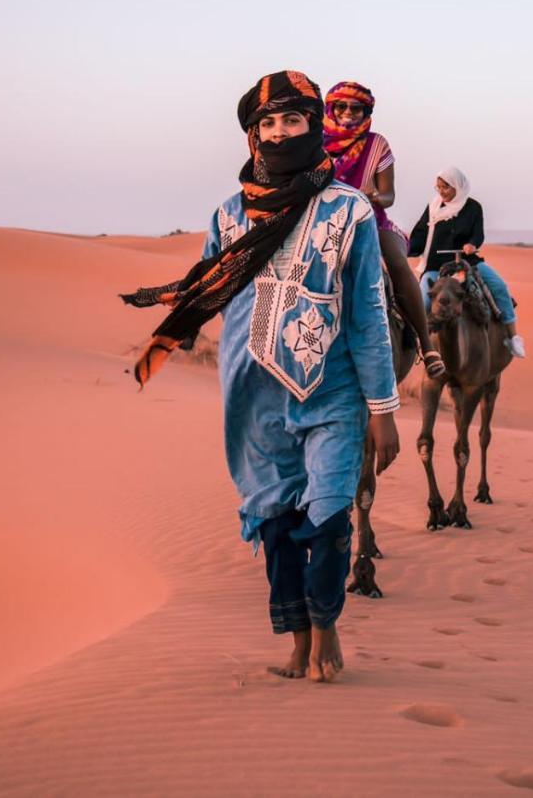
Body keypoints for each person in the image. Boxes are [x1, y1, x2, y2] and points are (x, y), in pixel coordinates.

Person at [119, 70, 400, 683]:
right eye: (266, 124)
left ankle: (326, 628)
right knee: (273, 524)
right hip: (251, 393)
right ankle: (297, 642)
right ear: (252, 137)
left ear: (312, 126)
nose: (279, 133)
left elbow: (368, 312)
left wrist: (383, 408)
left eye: (292, 121)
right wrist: (167, 332)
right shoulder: (228, 214)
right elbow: (209, 289)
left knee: (328, 520)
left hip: (333, 391)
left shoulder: (347, 209)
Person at [323, 81, 446, 378]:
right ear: (331, 108)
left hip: (370, 221)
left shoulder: (378, 144)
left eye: (357, 108)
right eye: (342, 106)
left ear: (367, 111)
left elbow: (389, 196)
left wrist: (374, 195)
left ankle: (427, 346)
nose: (348, 113)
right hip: (322, 225)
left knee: (397, 263)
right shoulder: (314, 145)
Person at [406, 167, 526, 358]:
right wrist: (407, 248)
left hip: (467, 262)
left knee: (499, 287)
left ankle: (513, 337)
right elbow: (420, 234)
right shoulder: (433, 207)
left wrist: (472, 244)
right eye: (438, 188)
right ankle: (413, 342)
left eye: (445, 187)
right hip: (436, 266)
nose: (441, 192)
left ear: (457, 186)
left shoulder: (473, 207)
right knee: (422, 298)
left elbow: (478, 233)